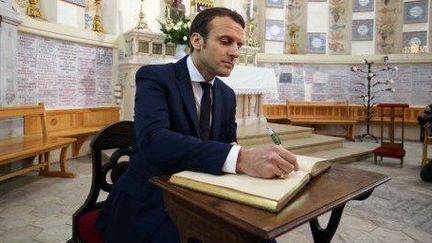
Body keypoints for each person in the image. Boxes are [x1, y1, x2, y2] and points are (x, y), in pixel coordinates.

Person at [96, 7, 298, 243]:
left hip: (202, 195)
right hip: (152, 199)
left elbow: (226, 144)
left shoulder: (226, 94)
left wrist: (250, 164)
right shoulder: (155, 77)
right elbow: (153, 141)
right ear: (197, 40)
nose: (235, 52)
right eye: (225, 41)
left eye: (239, 45)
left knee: (260, 236)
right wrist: (242, 158)